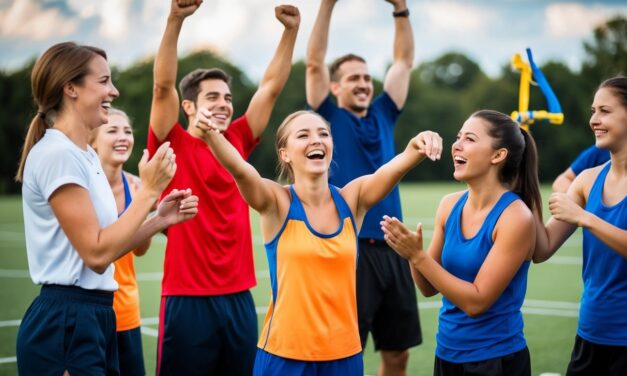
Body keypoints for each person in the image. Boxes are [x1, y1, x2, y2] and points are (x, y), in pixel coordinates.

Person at [200, 109, 441, 375]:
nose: (316, 140)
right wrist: (211, 134)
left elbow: (393, 168)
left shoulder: (353, 199)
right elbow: (241, 170)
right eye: (303, 135)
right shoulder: (276, 202)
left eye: (323, 134)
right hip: (284, 354)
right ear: (285, 154)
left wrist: (417, 146)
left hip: (344, 355)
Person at [15, 42, 198, 376]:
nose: (113, 90)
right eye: (103, 81)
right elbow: (96, 255)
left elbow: (108, 246)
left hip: (96, 314)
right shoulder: (58, 154)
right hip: (66, 319)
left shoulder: (83, 155)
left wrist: (160, 219)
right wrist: (151, 190)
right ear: (70, 88)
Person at [147, 1, 300, 374]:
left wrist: (290, 32)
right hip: (187, 297)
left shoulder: (237, 139)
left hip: (238, 297)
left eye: (228, 97)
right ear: (188, 106)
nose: (223, 104)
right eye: (212, 96)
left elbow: (270, 87)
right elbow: (162, 84)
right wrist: (175, 20)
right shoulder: (172, 140)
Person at [305, 1, 420, 374]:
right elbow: (314, 63)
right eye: (353, 78)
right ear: (335, 86)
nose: (363, 84)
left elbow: (402, 61)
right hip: (348, 249)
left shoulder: (385, 113)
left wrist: (400, 9)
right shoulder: (328, 115)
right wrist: (327, 5)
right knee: (342, 352)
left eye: (367, 78)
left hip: (394, 246)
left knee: (398, 353)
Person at [381, 110, 541, 376]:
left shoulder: (516, 217)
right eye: (458, 137)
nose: (456, 145)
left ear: (497, 155)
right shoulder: (449, 204)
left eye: (469, 139)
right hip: (446, 353)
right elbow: (428, 288)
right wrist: (410, 253)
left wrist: (419, 257)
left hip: (496, 359)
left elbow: (477, 302)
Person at [533, 76, 627, 375]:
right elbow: (541, 247)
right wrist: (526, 170)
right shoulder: (587, 181)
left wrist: (585, 217)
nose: (594, 120)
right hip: (591, 332)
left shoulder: (583, 197)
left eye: (605, 111)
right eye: (592, 111)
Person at [91, 107, 179, 376]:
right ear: (92, 141)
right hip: (89, 309)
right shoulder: (81, 186)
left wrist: (153, 209)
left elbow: (139, 250)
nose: (123, 137)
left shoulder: (140, 187)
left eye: (127, 131)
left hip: (126, 311)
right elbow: (95, 251)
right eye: (112, 130)